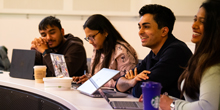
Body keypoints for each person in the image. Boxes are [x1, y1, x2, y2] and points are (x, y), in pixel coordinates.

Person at [115, 4, 192, 98]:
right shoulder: (153, 53)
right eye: (140, 27)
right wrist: (131, 82)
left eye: (146, 27)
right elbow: (118, 84)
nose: (140, 32)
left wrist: (130, 85)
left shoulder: (176, 51)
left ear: (164, 31)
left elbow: (142, 91)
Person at [159, 0, 220, 110]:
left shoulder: (213, 65)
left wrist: (173, 105)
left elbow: (208, 107)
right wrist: (165, 100)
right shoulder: (202, 59)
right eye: (195, 20)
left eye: (202, 22)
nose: (194, 25)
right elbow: (194, 102)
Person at [72, 14, 138, 88]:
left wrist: (94, 82)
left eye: (92, 37)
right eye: (88, 38)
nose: (90, 42)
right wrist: (85, 79)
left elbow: (127, 83)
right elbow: (96, 76)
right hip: (102, 94)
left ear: (105, 32)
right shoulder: (97, 49)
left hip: (122, 96)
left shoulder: (122, 51)